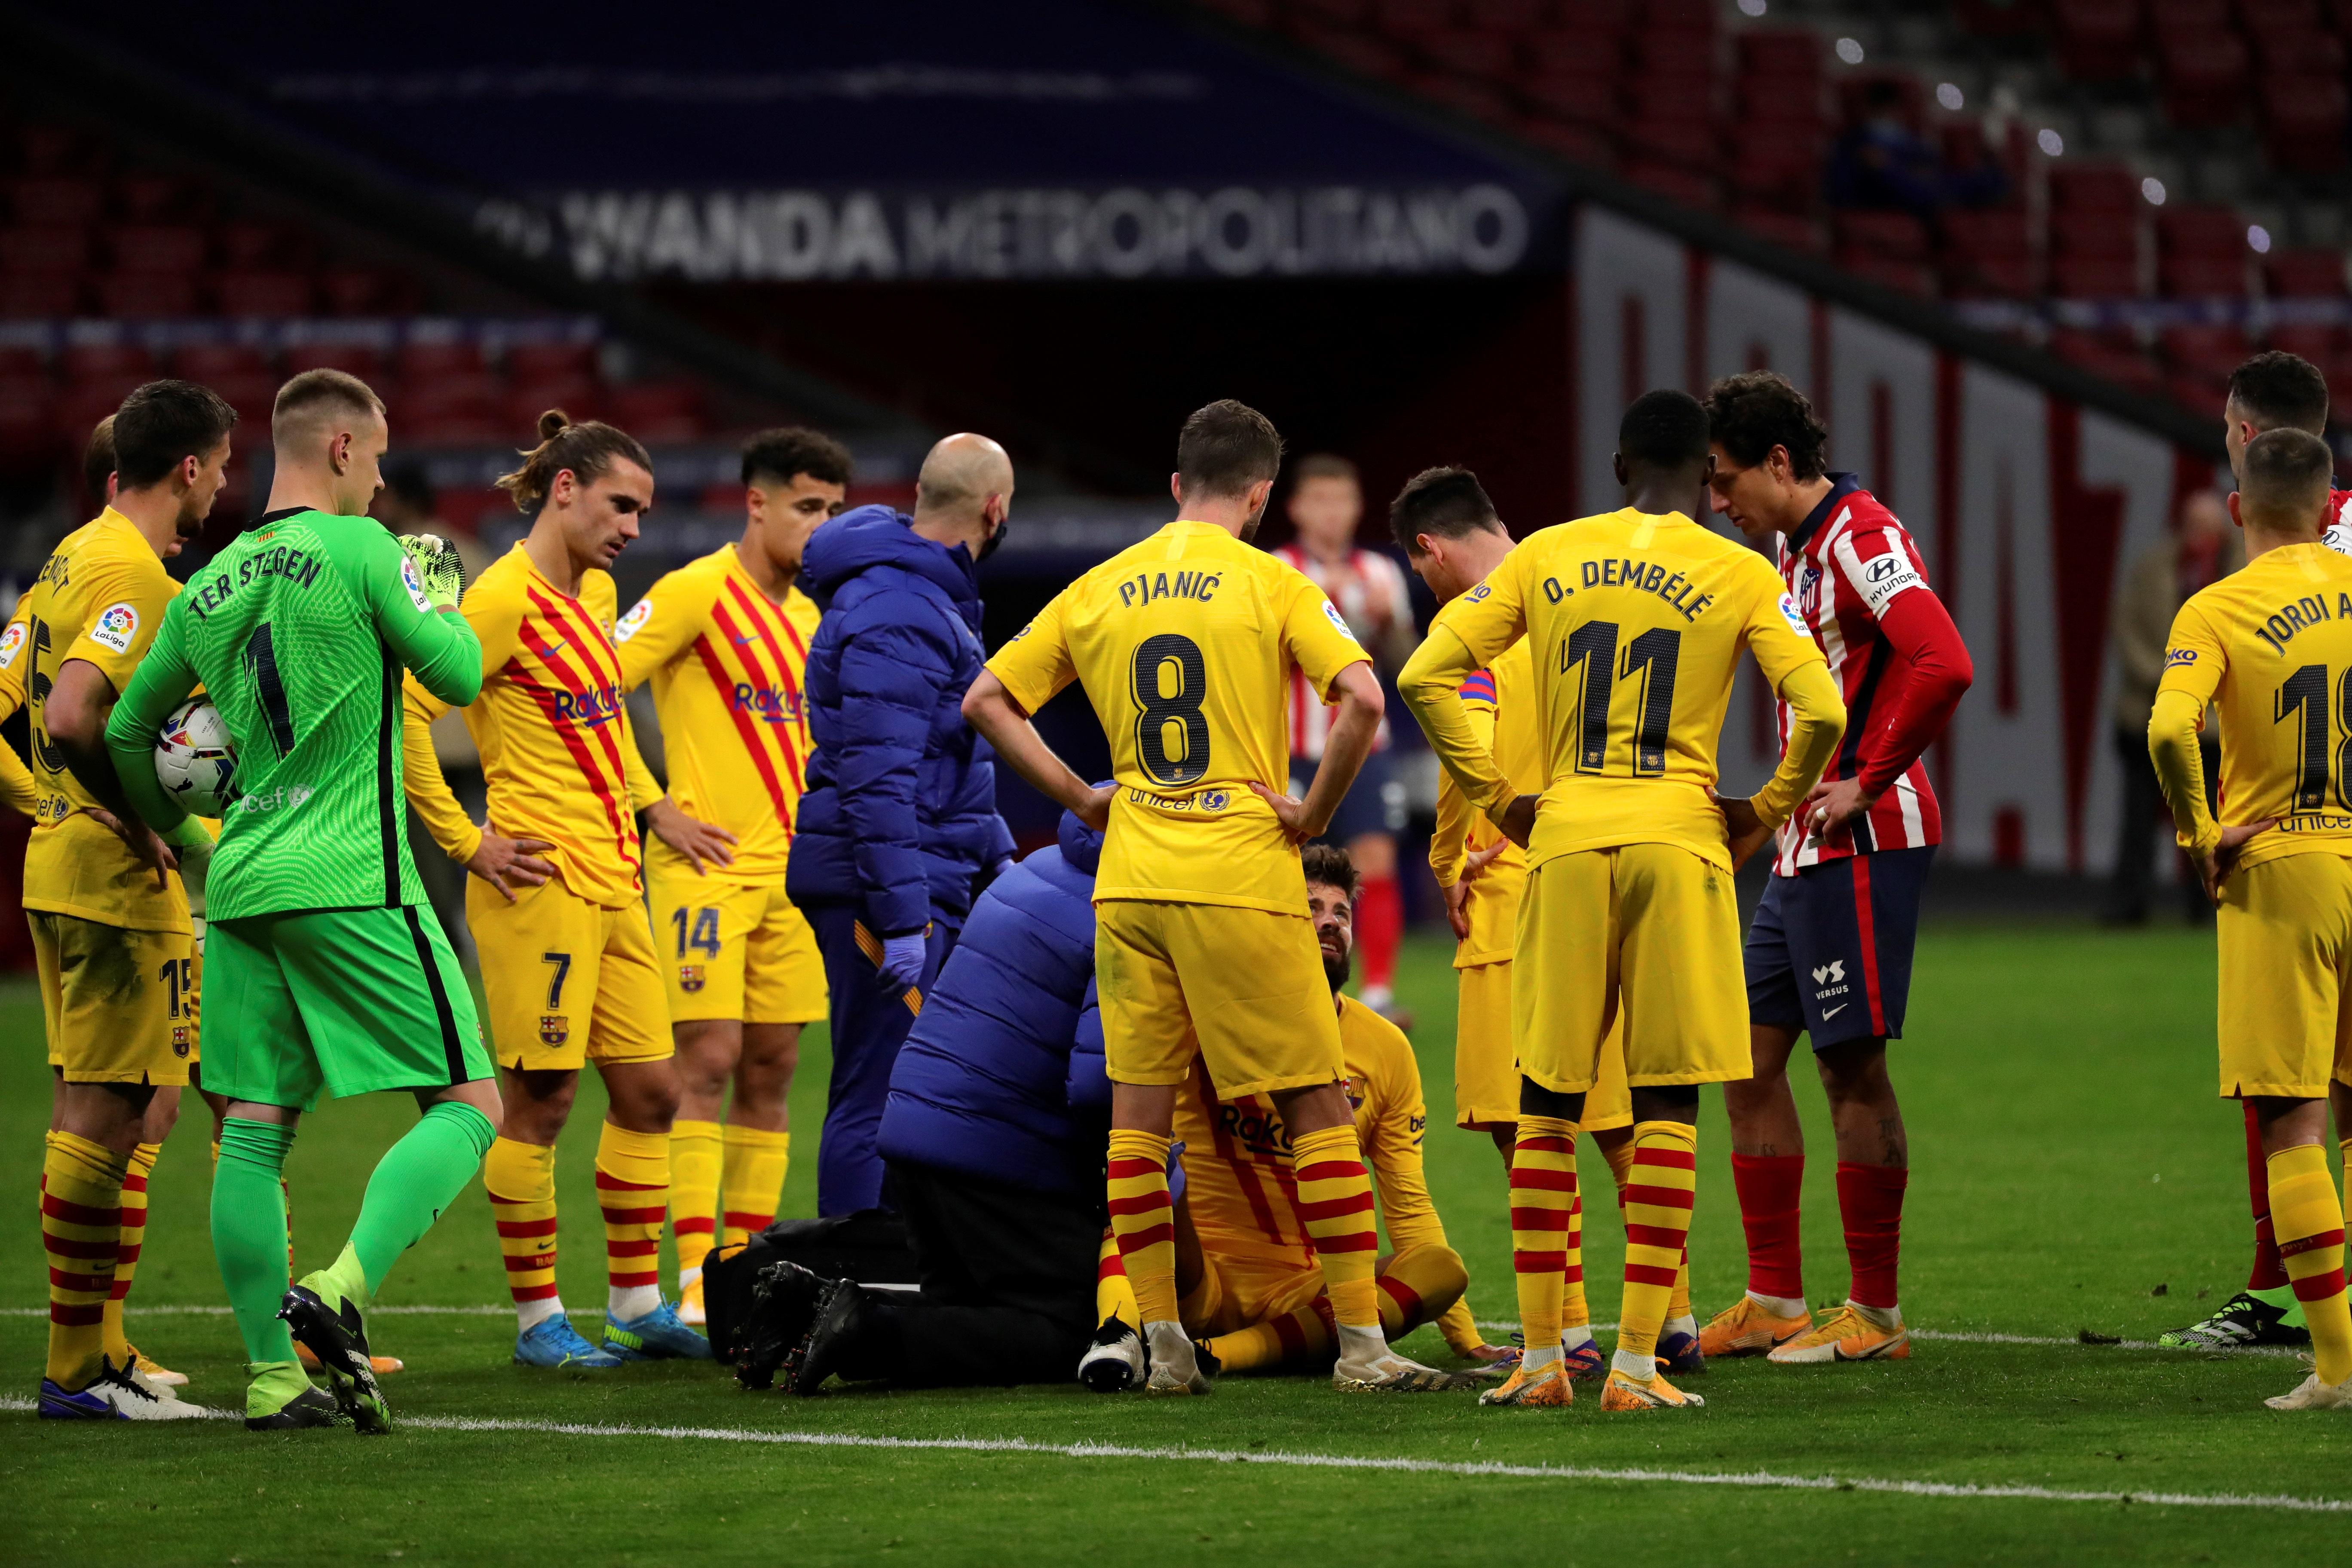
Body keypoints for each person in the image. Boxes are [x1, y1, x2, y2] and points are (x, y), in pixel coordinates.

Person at [966, 398, 1436, 1395]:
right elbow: (1358, 698)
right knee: (1314, 1101)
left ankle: (1164, 1346)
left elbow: (985, 701)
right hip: (1237, 867)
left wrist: (1079, 796)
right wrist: (1311, 812)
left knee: (1137, 1120)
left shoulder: (1100, 584)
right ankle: (1360, 1347)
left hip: (1131, 870)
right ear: (1260, 496)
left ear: (1176, 486)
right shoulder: (1269, 581)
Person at [1399, 389, 1846, 1412]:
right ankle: (1640, 1366)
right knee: (1663, 1099)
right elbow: (1817, 704)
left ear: (1615, 468)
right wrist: (1767, 810)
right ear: (1704, 476)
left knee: (1546, 1102)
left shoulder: (1545, 555)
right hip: (1678, 840)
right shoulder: (1736, 568)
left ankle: (1543, 1359)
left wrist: (1498, 800)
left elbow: (1428, 674)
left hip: (1561, 836)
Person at [100, 368, 500, 1433]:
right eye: (373, 456)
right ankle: (339, 1288)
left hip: (241, 885)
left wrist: (190, 839)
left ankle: (276, 1382)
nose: (377, 477)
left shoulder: (211, 582)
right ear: (338, 449)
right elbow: (457, 677)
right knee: (471, 1104)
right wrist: (438, 583)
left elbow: (129, 733)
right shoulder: (372, 550)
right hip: (355, 876)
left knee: (255, 1135)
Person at [402, 410, 721, 1369]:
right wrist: (467, 842)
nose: (632, 525)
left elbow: (606, 722)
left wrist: (652, 805)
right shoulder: (498, 599)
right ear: (566, 489)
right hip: (535, 883)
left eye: (643, 510)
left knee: (653, 1089)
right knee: (540, 1100)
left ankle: (635, 1304)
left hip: (615, 878)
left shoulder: (595, 591)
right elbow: (409, 715)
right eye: (622, 504)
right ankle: (540, 1323)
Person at [1391, 466, 1699, 1388]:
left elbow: (1466, 747)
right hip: (1610, 866)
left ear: (1430, 550)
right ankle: (1673, 1314)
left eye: (1422, 573)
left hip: (1513, 884)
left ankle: (1564, 1333)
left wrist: (1449, 854)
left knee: (1525, 1122)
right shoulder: (1578, 584)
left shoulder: (1477, 622)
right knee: (1619, 1117)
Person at [1694, 371, 1972, 1368]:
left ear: (1777, 462)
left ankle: (1876, 1314)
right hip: (1803, 847)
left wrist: (1864, 774)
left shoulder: (1860, 535)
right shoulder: (1792, 544)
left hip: (1864, 836)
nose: (1715, 500)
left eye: (1724, 478)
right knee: (1742, 1057)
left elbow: (1941, 660)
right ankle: (1773, 1295)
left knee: (1847, 1066)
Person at [10, 380, 231, 1421]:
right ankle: (75, 1371)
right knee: (106, 1116)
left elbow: (13, 705)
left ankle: (104, 1345)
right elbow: (69, 714)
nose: (224, 489)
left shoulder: (68, 556)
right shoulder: (135, 575)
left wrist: (53, 807)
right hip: (109, 882)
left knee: (135, 1108)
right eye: (223, 468)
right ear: (187, 467)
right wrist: (148, 821)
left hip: (65, 864)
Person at [614, 426, 849, 1323]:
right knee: (702, 1064)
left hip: (792, 878)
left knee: (774, 1067)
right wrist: (652, 805)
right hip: (703, 872)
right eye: (806, 508)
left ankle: (748, 1270)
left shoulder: (812, 617)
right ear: (756, 504)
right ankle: (698, 1276)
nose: (820, 527)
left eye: (832, 510)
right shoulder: (694, 592)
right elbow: (594, 687)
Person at [759, 805, 1113, 1392]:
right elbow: (1100, 1086)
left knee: (972, 1309)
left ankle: (814, 1306)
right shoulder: (1128, 912)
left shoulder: (1039, 867)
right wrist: (1162, 1179)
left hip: (915, 1137)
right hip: (989, 1153)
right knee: (1082, 1327)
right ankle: (864, 1329)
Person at [2147, 426, 2352, 1410]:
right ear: (2328, 503)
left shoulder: (2218, 605)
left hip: (2282, 868)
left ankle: (2336, 1369)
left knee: (2290, 1124)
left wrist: (2198, 834)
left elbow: (2163, 727)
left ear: (2236, 508)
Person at [1158, 843, 1494, 1381]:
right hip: (1200, 1275)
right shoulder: (1210, 1016)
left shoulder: (1385, 1048)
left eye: (1341, 913)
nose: (1330, 923)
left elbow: (1407, 1203)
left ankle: (1222, 1356)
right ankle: (1127, 1334)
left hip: (1305, 1290)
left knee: (1440, 1267)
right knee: (1138, 1178)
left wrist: (1466, 1339)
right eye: (1310, 908)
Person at [787, 433, 1017, 1217]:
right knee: (877, 1089)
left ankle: (894, 1282)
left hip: (912, 871)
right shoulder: (903, 607)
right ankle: (854, 1292)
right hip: (882, 886)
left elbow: (937, 765)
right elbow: (878, 777)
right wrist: (903, 919)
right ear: (995, 507)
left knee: (907, 1085)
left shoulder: (921, 597)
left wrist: (997, 862)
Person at [1274, 455, 1418, 1023]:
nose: (1332, 513)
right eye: (1320, 501)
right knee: (1282, 869)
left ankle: (1378, 995)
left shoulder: (1380, 576)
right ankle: (1285, 985)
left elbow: (1408, 666)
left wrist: (1391, 628)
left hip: (1364, 746)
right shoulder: (1275, 570)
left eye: (1343, 501)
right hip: (1288, 745)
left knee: (1375, 860)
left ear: (1358, 508)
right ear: (1297, 508)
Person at [2105, 490, 2237, 927]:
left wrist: (2200, 685)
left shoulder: (2242, 573)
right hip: (2147, 711)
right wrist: (2173, 680)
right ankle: (2129, 906)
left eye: (2209, 528)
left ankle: (2209, 906)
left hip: (2216, 724)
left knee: (2214, 816)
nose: (2200, 537)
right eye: (2193, 526)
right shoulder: (2153, 566)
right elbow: (2126, 629)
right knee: (2138, 819)